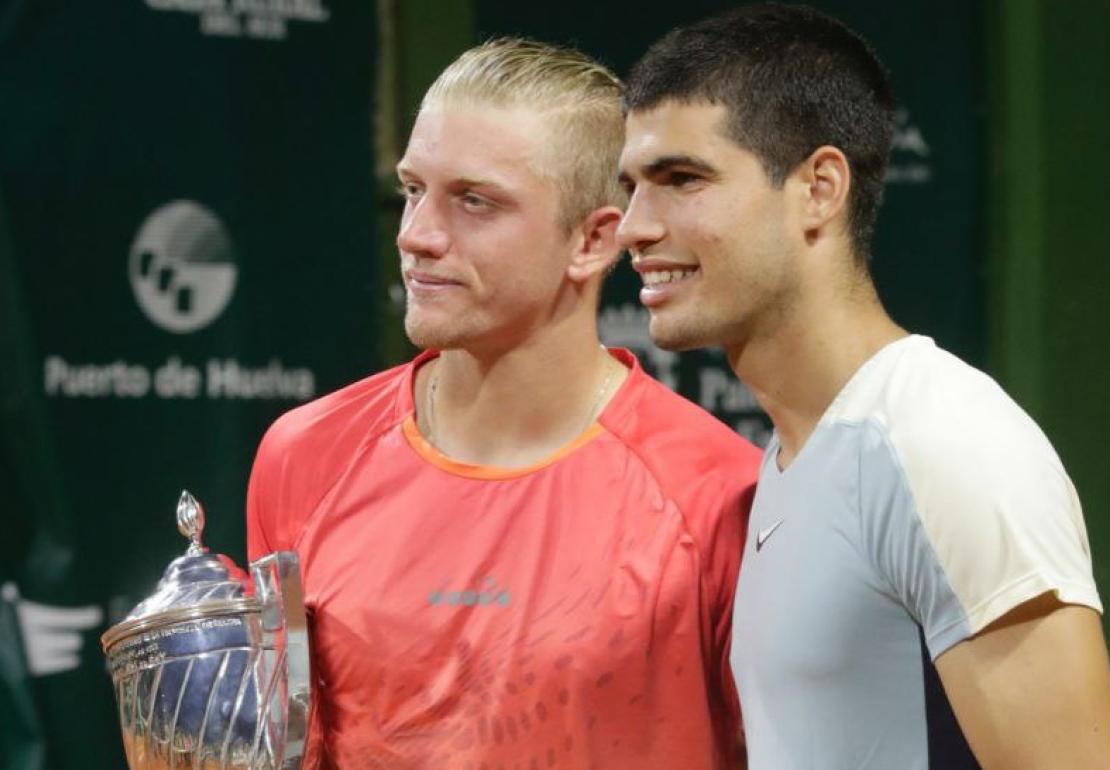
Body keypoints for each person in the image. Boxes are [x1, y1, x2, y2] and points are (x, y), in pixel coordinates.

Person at [617, 5, 1110, 769]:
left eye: (681, 179)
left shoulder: (942, 441)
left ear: (820, 188)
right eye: (630, 186)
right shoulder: (796, 453)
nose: (633, 226)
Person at [247, 38, 760, 769]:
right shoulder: (304, 455)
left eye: (474, 201)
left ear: (592, 239)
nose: (417, 235)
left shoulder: (716, 496)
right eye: (413, 189)